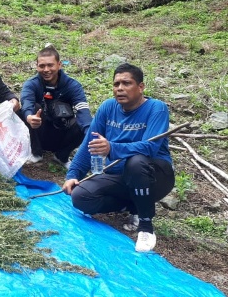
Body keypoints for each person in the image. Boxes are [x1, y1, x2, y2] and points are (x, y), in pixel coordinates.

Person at [61, 63, 174, 253]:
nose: (120, 88)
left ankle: (145, 225)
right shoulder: (108, 108)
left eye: (126, 83)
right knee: (81, 197)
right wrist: (73, 174)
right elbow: (90, 143)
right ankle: (130, 204)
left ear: (141, 87)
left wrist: (112, 148)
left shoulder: (157, 108)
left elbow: (151, 147)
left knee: (136, 161)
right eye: (116, 84)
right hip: (119, 175)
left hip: (155, 175)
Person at [21, 45, 91, 166]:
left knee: (87, 122)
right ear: (36, 66)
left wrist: (91, 133)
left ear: (59, 65)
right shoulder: (31, 84)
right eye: (42, 66)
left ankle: (61, 156)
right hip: (38, 133)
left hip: (62, 131)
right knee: (34, 108)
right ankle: (36, 153)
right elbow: (26, 102)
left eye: (50, 65)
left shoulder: (72, 86)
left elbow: (83, 110)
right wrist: (29, 117)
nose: (46, 69)